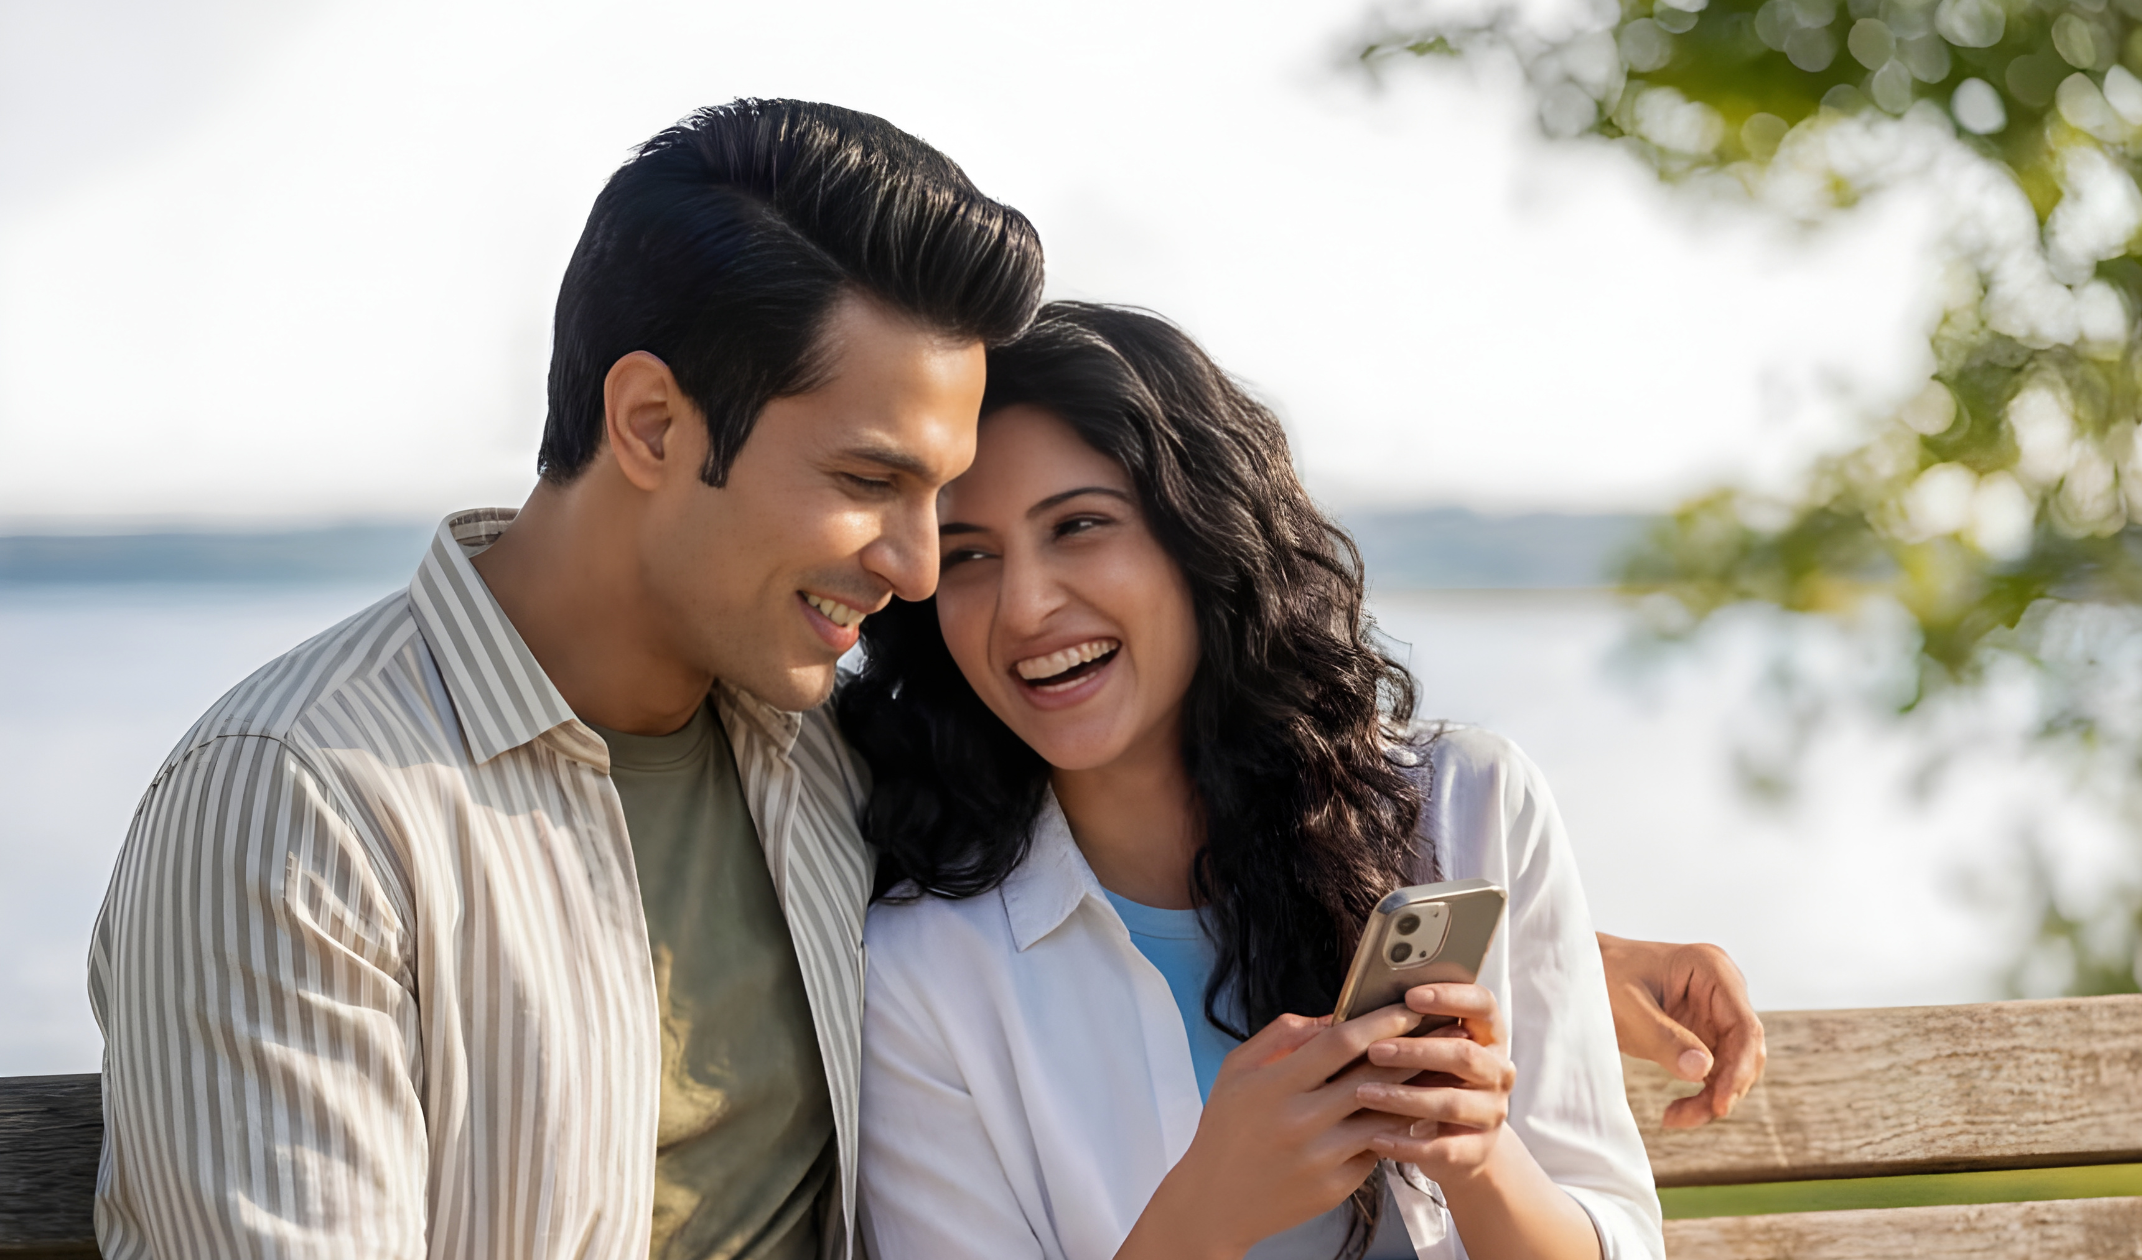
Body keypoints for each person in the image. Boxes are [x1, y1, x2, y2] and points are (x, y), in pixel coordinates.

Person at [86, 98, 1759, 1260]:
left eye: (934, 510)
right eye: (882, 490)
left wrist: (1545, 953)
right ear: (654, 425)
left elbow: (1154, 848)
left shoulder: (804, 746)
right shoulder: (300, 809)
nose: (909, 574)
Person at [842, 304, 1663, 1259]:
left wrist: (1479, 1160)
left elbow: (1616, 1236)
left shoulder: (1467, 807)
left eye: (1079, 526)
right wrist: (1206, 1211)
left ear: (1204, 539)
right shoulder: (925, 967)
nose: (1023, 608)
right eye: (971, 554)